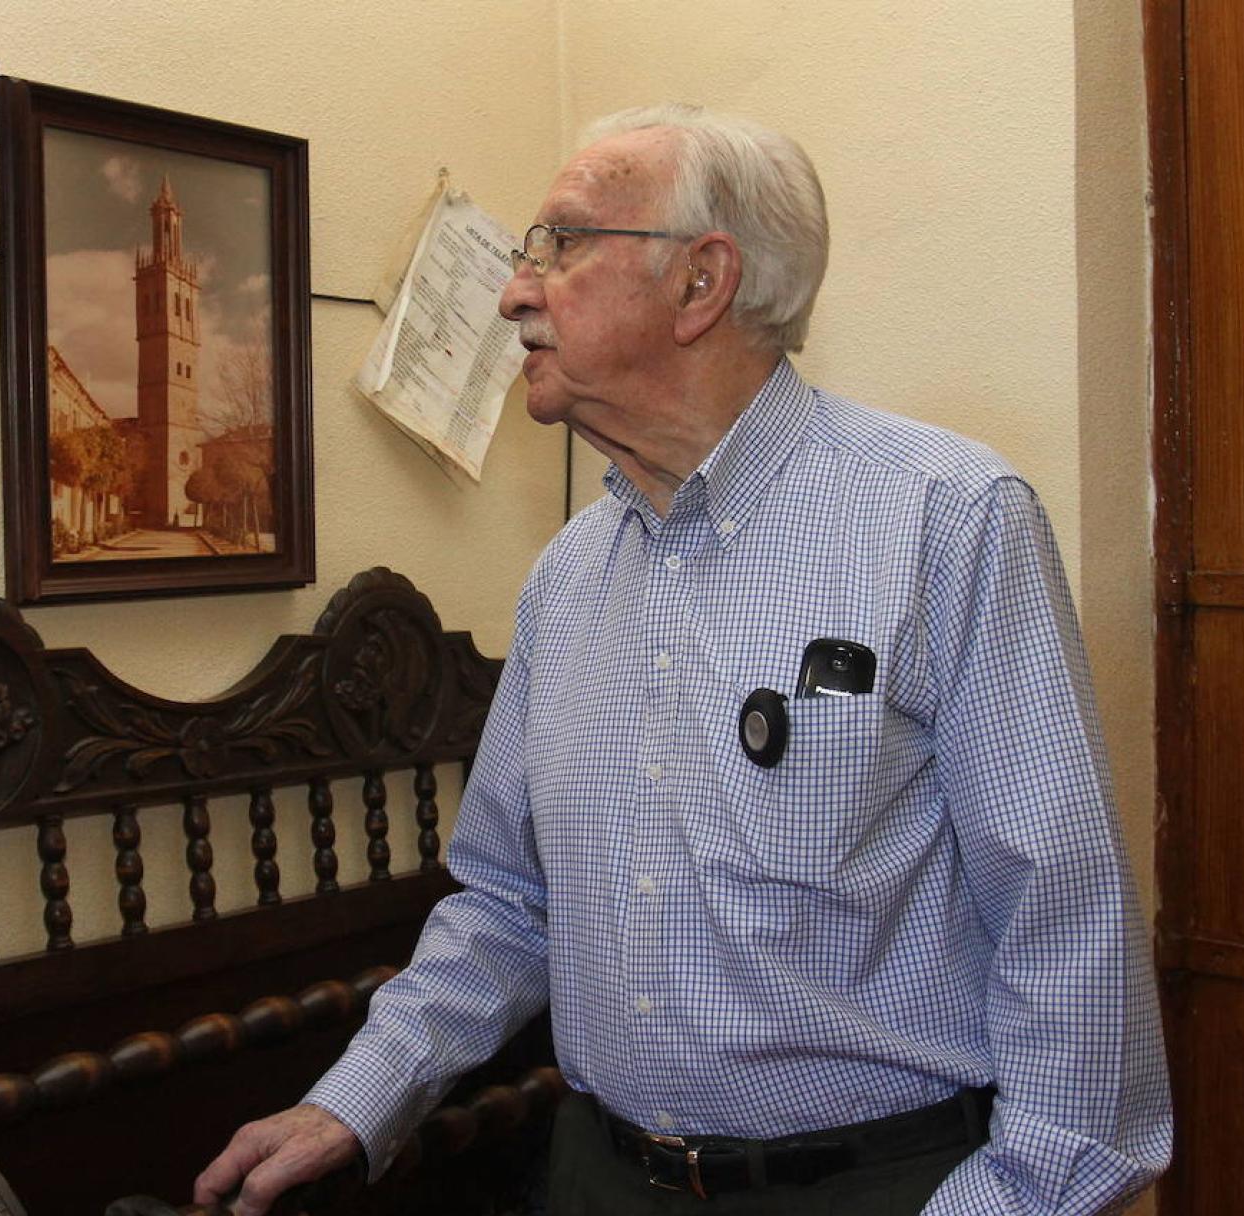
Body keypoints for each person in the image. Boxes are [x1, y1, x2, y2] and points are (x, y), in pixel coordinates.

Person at [195, 102, 1171, 1215]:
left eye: (559, 243)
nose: (515, 288)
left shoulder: (946, 522)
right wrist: (357, 1098)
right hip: (597, 1176)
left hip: (879, 1186)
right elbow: (511, 902)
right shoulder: (567, 577)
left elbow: (1067, 932)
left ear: (702, 283)